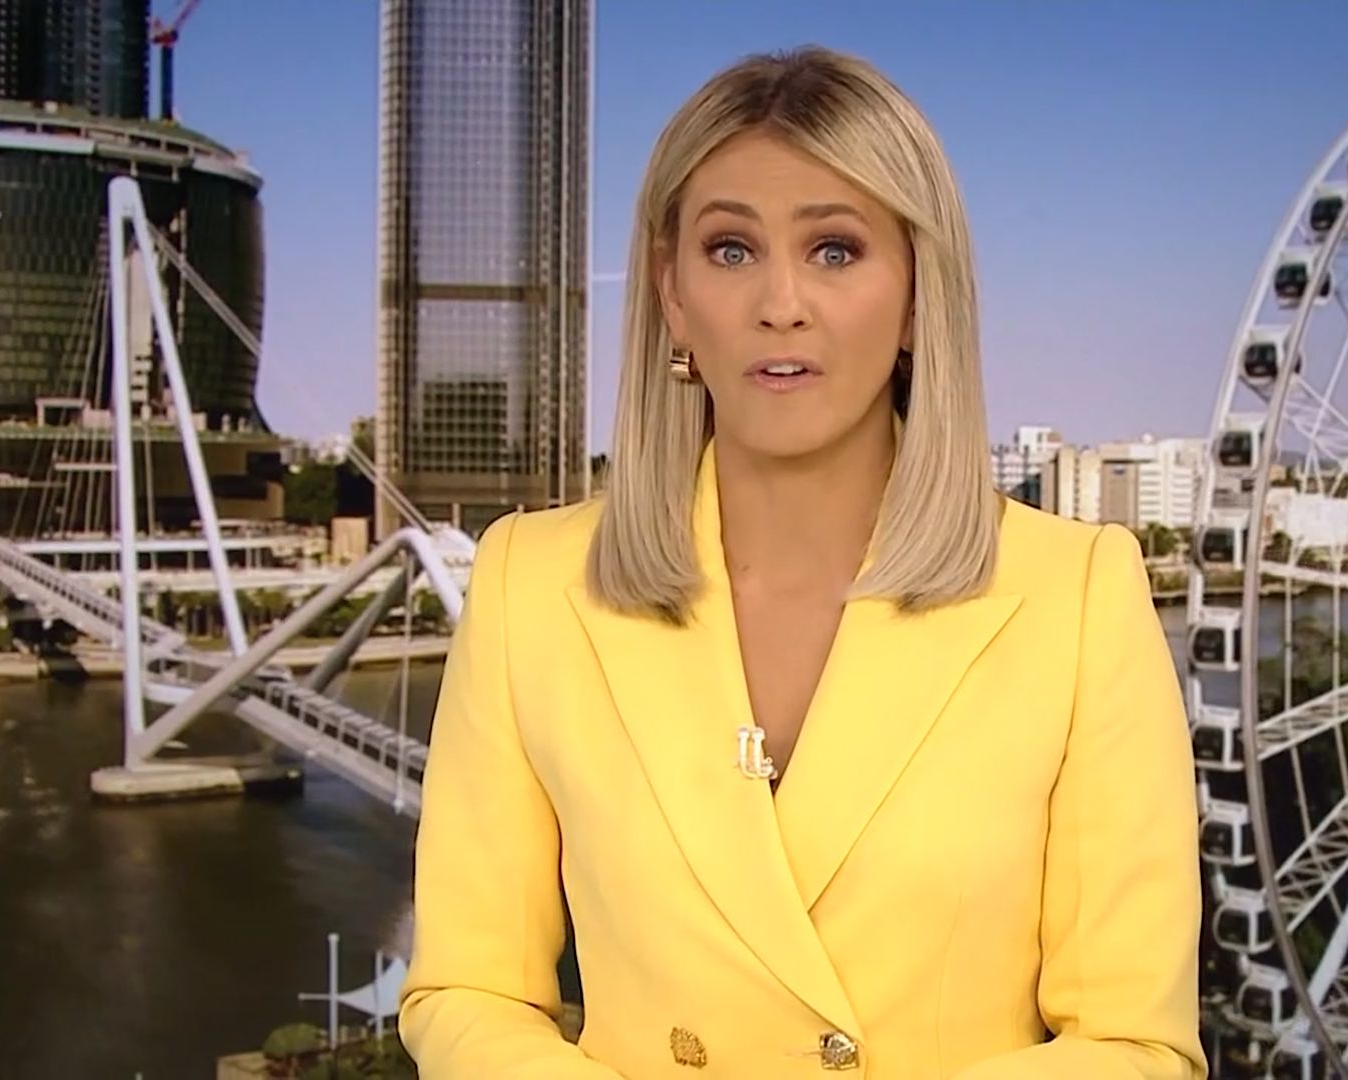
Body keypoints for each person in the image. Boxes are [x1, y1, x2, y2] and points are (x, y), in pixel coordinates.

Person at [399, 44, 1206, 1080]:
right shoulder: (530, 586)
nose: (780, 302)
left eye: (834, 249)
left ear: (917, 295)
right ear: (673, 294)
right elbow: (467, 992)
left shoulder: (1077, 597)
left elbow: (1135, 1045)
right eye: (731, 249)